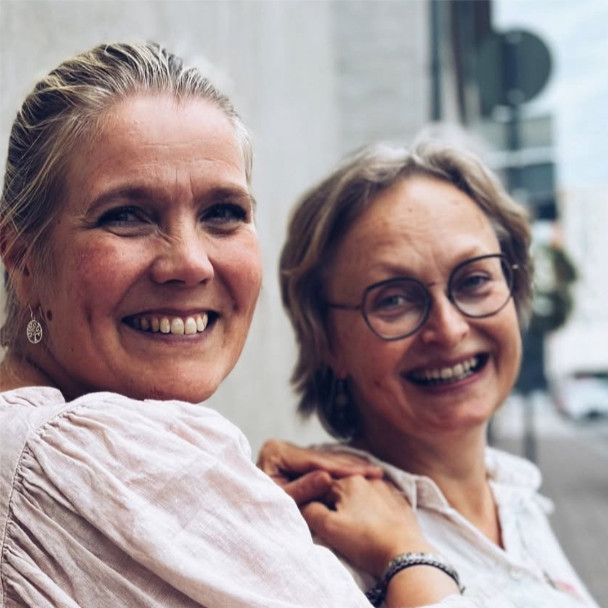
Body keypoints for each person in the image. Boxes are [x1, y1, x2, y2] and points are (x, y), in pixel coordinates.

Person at [0, 42, 470, 608]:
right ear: (23, 262)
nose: (190, 262)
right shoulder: (85, 452)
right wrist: (407, 551)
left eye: (223, 213)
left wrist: (240, 507)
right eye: (126, 216)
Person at [258, 142, 600, 608]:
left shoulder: (515, 497)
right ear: (327, 342)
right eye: (394, 299)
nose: (449, 329)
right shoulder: (321, 551)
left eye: (475, 280)